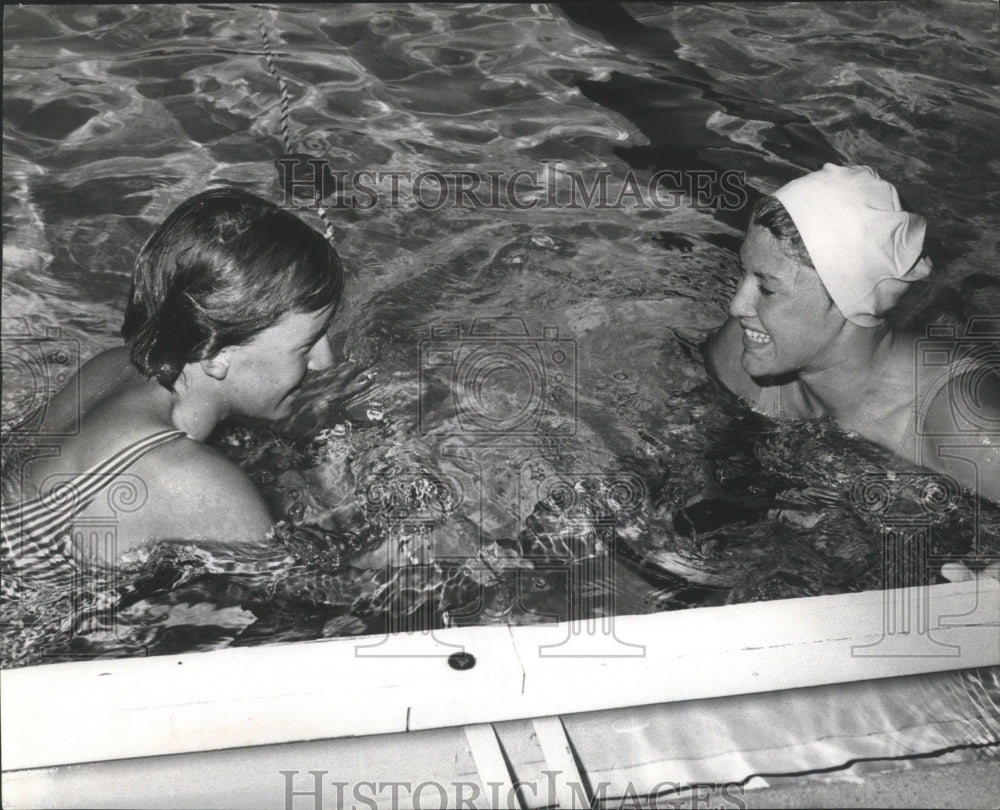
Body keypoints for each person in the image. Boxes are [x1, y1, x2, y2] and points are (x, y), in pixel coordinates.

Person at [1, 187, 344, 589]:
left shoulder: (112, 366)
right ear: (217, 355)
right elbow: (304, 602)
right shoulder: (195, 483)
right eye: (307, 345)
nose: (326, 361)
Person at [704, 164, 999, 504]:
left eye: (767, 289)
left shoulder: (970, 427)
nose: (738, 306)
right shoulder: (744, 352)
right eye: (745, 275)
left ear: (849, 297)